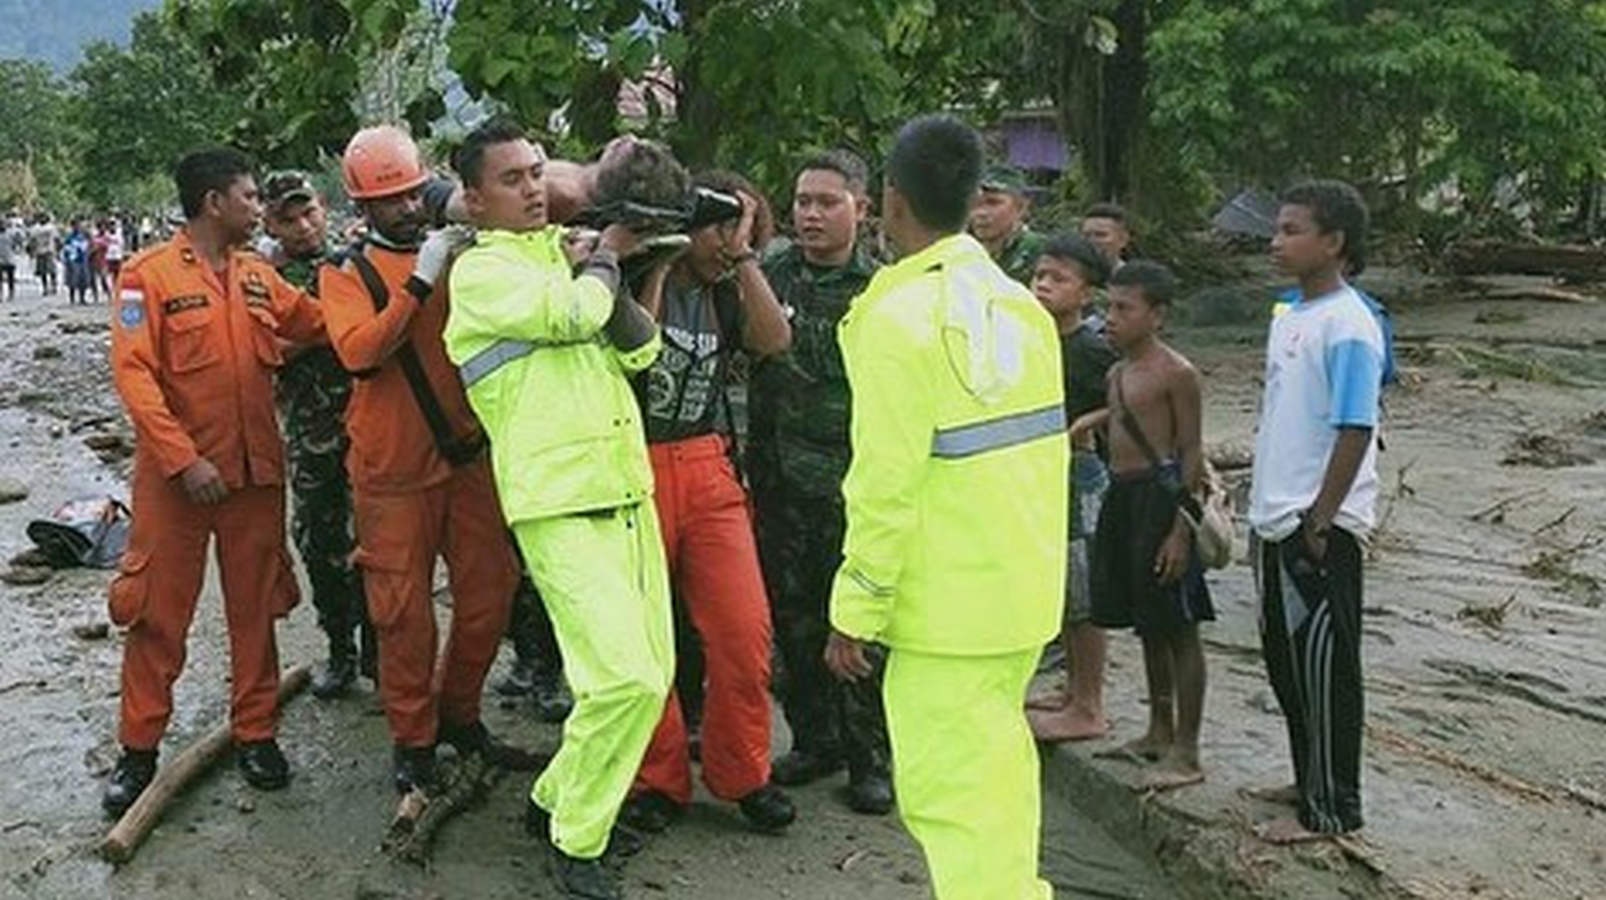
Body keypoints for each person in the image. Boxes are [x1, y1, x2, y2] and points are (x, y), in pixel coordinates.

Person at [824, 114, 1068, 899]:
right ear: (971, 198)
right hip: (1020, 597)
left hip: (947, 613)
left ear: (890, 200)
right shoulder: (1021, 307)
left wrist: (855, 608)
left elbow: (883, 483)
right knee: (998, 787)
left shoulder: (897, 319)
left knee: (954, 804)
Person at [444, 119, 671, 900]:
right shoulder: (481, 274)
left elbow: (642, 351)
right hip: (558, 501)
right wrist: (605, 255)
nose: (533, 188)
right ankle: (579, 840)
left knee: (652, 676)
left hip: (624, 489)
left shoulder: (565, 257)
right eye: (511, 179)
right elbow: (573, 317)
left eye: (537, 172)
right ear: (474, 201)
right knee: (621, 682)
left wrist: (612, 266)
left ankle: (553, 797)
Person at [101, 147, 326, 816]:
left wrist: (394, 287)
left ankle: (257, 733)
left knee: (254, 610)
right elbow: (134, 376)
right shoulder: (148, 276)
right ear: (213, 203)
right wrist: (183, 460)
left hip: (254, 476)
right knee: (156, 614)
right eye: (250, 197)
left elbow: (318, 323)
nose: (260, 208)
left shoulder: (259, 276)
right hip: (178, 484)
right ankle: (138, 750)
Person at [319, 125, 522, 796]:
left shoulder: (465, 257)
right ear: (364, 207)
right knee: (402, 613)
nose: (408, 208)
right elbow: (359, 352)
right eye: (391, 200)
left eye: (412, 194)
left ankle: (459, 714)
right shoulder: (345, 273)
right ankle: (412, 739)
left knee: (490, 593)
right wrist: (419, 282)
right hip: (391, 470)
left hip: (467, 454)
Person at [623, 170, 796, 836]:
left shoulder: (729, 291)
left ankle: (744, 772)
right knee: (644, 641)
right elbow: (636, 349)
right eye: (721, 225)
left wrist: (743, 257)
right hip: (633, 462)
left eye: (744, 228)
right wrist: (663, 261)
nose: (730, 240)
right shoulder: (635, 275)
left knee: (743, 632)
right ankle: (656, 779)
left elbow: (773, 341)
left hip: (705, 461)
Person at [749, 149, 893, 814]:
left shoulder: (881, 290)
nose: (810, 214)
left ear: (861, 209)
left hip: (849, 484)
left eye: (827, 203)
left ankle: (870, 758)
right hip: (778, 481)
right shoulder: (770, 272)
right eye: (803, 201)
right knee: (793, 619)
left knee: (858, 626)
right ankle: (815, 739)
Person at [1249, 180, 1381, 844]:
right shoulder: (1290, 314)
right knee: (1287, 663)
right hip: (1275, 516)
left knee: (1326, 668)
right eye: (1277, 229)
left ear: (1334, 242)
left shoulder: (1349, 325)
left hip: (1317, 525)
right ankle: (1308, 780)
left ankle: (1333, 808)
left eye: (1292, 230)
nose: (1276, 242)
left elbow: (1356, 427)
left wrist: (1323, 520)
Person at [1088, 260, 1212, 790]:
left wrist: (1181, 529)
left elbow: (1191, 451)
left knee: (1179, 625)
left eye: (1124, 309)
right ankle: (1158, 729)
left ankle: (1188, 748)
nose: (1111, 318)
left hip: (1162, 500)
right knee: (1148, 622)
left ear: (1157, 315)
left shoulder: (1176, 373)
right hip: (1124, 497)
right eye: (1108, 307)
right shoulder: (1117, 374)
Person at [258, 170, 373, 698]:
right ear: (270, 224)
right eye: (288, 219)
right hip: (311, 434)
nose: (303, 226)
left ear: (324, 208)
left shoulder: (355, 262)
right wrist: (329, 327)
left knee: (380, 542)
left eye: (308, 213)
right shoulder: (263, 278)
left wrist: (320, 329)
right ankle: (340, 649)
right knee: (319, 542)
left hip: (370, 426)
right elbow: (263, 348)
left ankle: (379, 650)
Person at [1023, 234, 1120, 742]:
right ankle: (1071, 688)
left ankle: (1088, 704)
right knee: (1059, 588)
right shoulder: (1032, 336)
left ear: (1086, 293)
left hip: (1081, 476)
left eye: (1058, 279)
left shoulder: (1093, 347)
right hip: (1041, 473)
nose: (1043, 285)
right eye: (1040, 275)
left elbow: (1132, 397)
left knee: (1083, 592)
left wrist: (1088, 424)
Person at [968, 162, 1045, 285]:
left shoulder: (1039, 252)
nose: (981, 213)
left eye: (993, 203)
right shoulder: (964, 251)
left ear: (1021, 207)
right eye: (975, 203)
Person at [1081, 202, 1132, 272]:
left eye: (1100, 235)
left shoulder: (1133, 277)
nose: (1091, 241)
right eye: (1086, 235)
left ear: (1123, 240)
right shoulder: (1070, 275)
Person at [62, 220, 92, 305]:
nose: (77, 227)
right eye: (75, 226)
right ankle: (72, 298)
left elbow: (88, 246)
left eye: (78, 226)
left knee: (83, 279)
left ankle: (82, 298)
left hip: (82, 259)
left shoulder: (83, 236)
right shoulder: (69, 237)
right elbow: (66, 248)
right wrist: (67, 259)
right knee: (72, 279)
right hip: (73, 260)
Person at [28, 213, 59, 295]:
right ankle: (45, 288)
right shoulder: (35, 228)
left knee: (52, 270)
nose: (42, 219)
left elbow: (56, 239)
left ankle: (53, 285)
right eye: (41, 218)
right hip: (40, 252)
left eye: (44, 218)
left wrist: (57, 250)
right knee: (43, 272)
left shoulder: (51, 227)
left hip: (49, 251)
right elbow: (32, 240)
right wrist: (32, 251)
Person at [0, 214, 20, 301]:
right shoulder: (11, 233)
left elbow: (17, 243)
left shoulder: (11, 233)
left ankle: (11, 293)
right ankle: (1, 294)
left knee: (10, 277)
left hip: (9, 258)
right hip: (2, 259)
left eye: (3, 223)